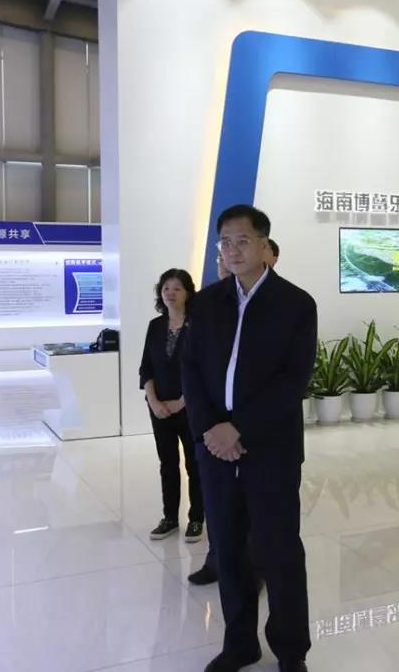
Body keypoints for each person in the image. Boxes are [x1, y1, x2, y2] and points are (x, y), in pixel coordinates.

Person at [181, 204, 317, 672]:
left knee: (279, 551)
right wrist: (209, 430)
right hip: (215, 451)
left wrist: (238, 428)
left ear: (264, 246)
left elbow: (292, 379)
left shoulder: (295, 304)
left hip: (271, 450)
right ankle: (240, 643)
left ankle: (290, 650)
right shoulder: (206, 303)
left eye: (243, 241)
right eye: (225, 242)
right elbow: (191, 369)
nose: (233, 250)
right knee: (229, 550)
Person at [140, 269, 205, 543]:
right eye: (166, 288)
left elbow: (204, 370)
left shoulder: (198, 325)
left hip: (190, 407)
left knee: (195, 464)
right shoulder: (155, 326)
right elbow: (146, 368)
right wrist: (153, 401)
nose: (170, 293)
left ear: (188, 293)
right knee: (167, 463)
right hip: (159, 409)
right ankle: (169, 517)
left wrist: (182, 402)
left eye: (177, 288)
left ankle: (196, 517)